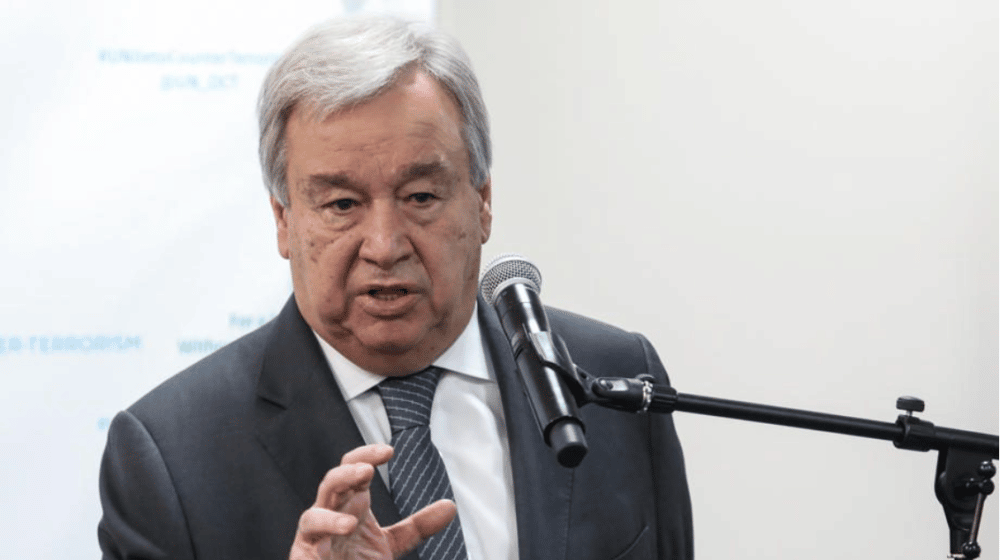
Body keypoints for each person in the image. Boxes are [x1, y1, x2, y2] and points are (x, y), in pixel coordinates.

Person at [98, 16, 693, 560]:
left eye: (420, 196)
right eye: (342, 204)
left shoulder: (612, 379)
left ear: (482, 201)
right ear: (283, 220)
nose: (384, 246)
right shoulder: (171, 459)